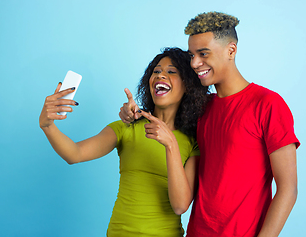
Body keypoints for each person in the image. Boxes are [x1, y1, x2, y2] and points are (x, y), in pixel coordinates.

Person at [119, 12, 300, 237]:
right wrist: (131, 114)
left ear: (231, 50)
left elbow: (288, 190)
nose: (195, 63)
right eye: (192, 55)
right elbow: (166, 116)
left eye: (203, 54)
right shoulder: (202, 109)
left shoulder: (268, 104)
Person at [39, 47, 209, 237]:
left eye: (171, 71)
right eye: (156, 71)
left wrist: (170, 144)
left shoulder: (192, 142)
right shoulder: (127, 127)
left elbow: (180, 206)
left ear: (188, 85)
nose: (161, 75)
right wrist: (48, 126)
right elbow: (74, 154)